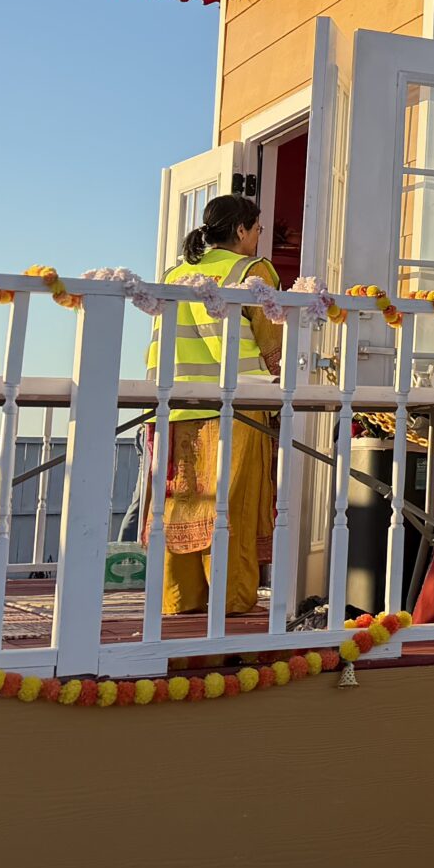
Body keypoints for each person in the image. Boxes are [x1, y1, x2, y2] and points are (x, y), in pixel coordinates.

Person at [147, 194, 282, 620]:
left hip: (177, 404)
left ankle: (180, 600)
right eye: (257, 228)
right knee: (232, 506)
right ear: (241, 230)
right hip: (237, 404)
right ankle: (231, 601)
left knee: (180, 503)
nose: (259, 236)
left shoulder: (176, 272)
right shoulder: (252, 271)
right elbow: (272, 339)